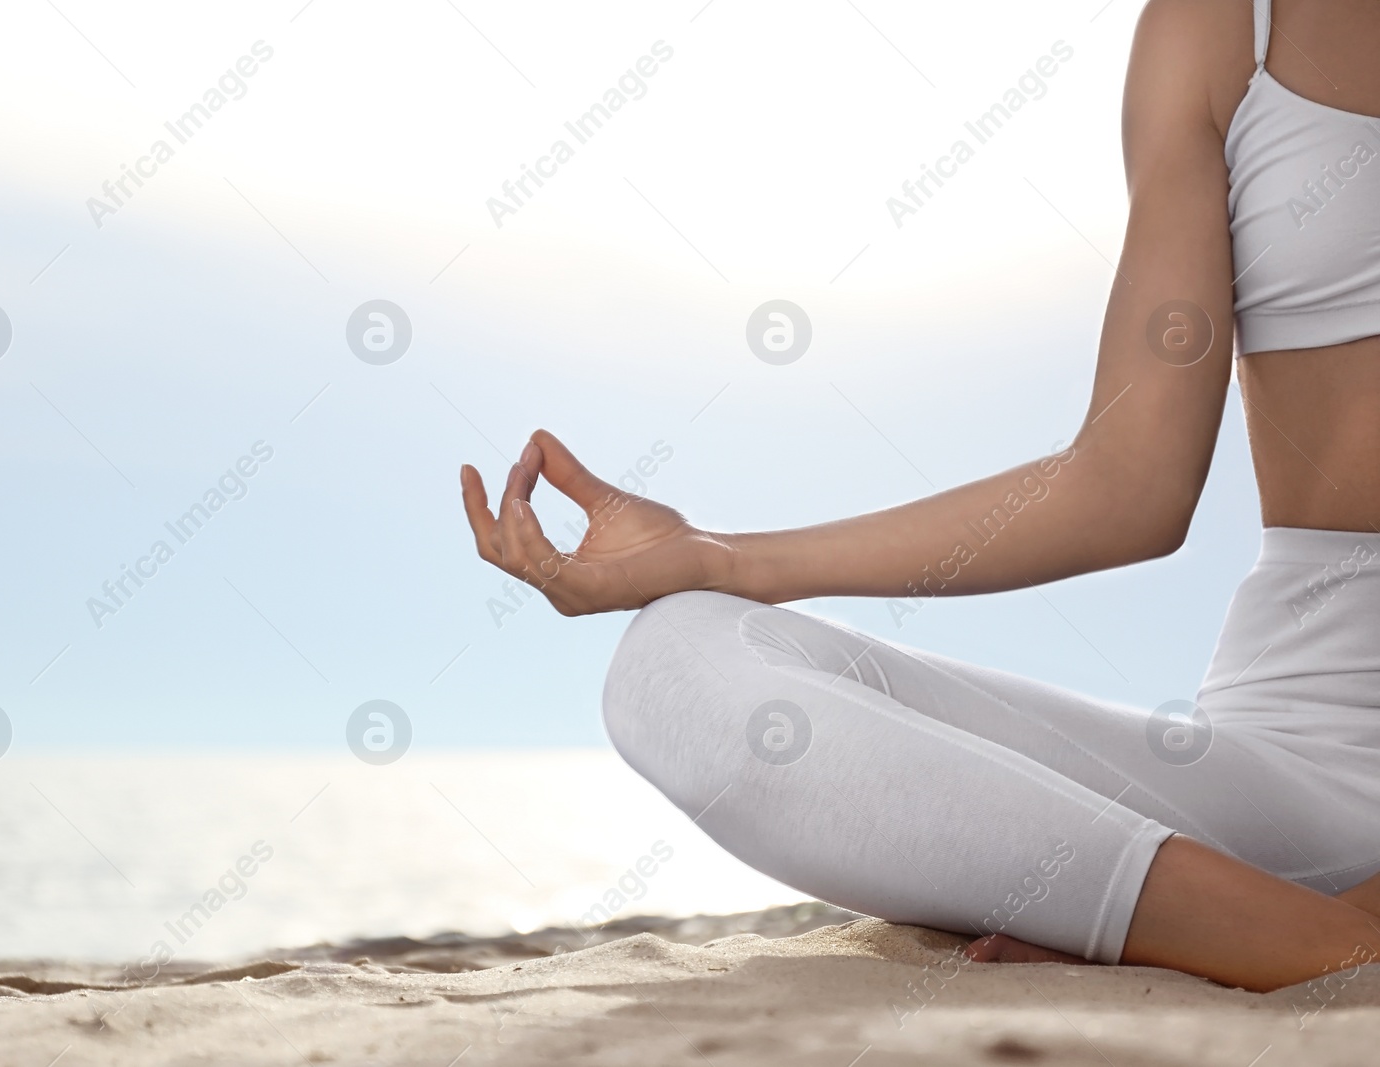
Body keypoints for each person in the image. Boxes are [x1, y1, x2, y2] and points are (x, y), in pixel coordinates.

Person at [459, 0, 1380, 993]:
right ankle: (1257, 928)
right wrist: (718, 559)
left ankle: (1255, 932)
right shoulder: (1217, 32)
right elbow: (1128, 486)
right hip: (1293, 770)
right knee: (677, 663)